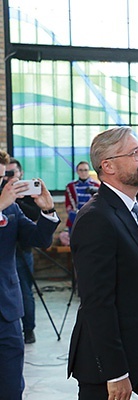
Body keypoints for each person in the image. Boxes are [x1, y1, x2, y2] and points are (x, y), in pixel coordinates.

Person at [67, 127, 138, 400]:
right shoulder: (96, 219)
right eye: (135, 153)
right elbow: (98, 301)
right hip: (109, 356)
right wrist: (115, 372)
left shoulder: (135, 209)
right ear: (107, 166)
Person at [0, 149, 59, 400]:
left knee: (12, 386)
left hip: (7, 309)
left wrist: (47, 211)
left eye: (1, 177)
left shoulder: (12, 209)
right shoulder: (4, 203)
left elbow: (37, 239)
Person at [2, 158, 40, 344]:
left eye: (10, 174)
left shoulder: (23, 195)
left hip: (22, 249)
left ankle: (29, 328)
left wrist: (15, 201)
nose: (7, 179)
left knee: (24, 288)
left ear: (20, 174)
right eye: (4, 175)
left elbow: (33, 216)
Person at [65, 161, 100, 233]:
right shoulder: (71, 186)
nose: (83, 172)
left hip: (92, 220)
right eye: (80, 170)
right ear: (77, 171)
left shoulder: (96, 186)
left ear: (89, 171)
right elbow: (68, 204)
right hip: (74, 219)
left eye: (85, 170)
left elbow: (99, 204)